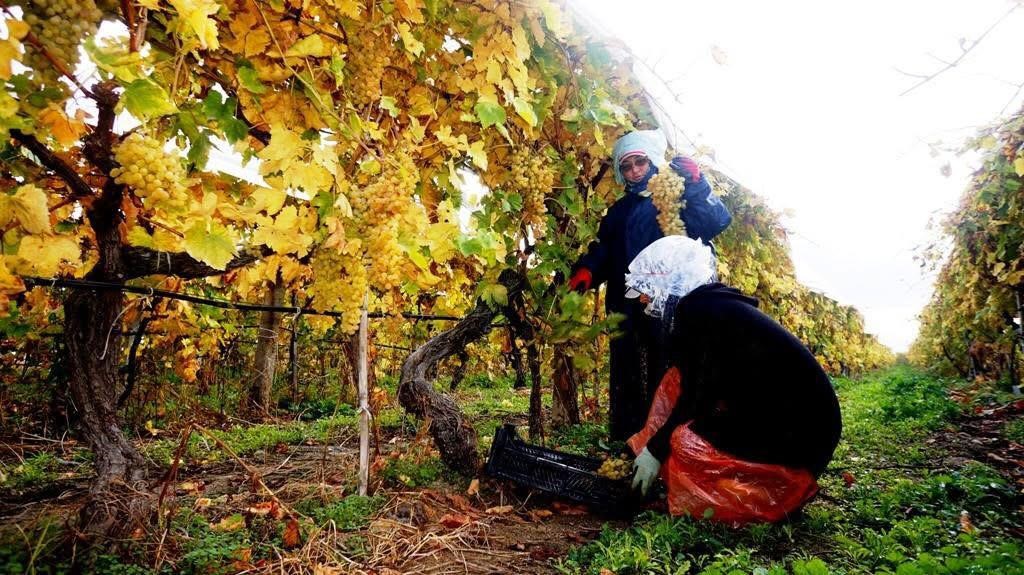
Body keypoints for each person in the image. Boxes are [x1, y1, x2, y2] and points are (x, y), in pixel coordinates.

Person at [623, 236, 842, 524]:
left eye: (647, 290)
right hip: (803, 427)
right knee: (674, 382)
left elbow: (699, 397)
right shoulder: (713, 307)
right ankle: (655, 463)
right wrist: (650, 447)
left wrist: (657, 449)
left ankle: (752, 498)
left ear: (670, 281)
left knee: (686, 443)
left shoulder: (699, 313)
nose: (644, 300)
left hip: (798, 440)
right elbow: (693, 386)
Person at [568, 130, 732, 440]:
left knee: (670, 369)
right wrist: (588, 270)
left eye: (640, 162)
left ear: (652, 160)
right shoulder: (618, 212)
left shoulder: (676, 196)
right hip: (627, 303)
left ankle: (672, 444)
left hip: (672, 303)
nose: (634, 171)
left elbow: (715, 222)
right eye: (626, 167)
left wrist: (697, 185)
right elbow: (605, 250)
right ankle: (630, 442)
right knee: (629, 372)